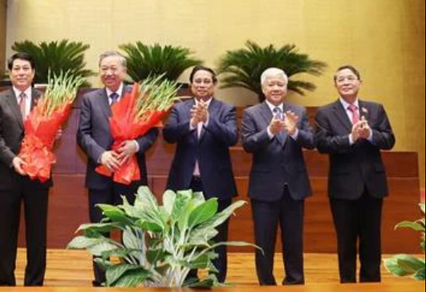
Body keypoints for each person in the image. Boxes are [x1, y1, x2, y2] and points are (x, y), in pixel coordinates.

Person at [76, 50, 159, 287]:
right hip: (100, 175)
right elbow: (82, 134)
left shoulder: (138, 96)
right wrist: (101, 155)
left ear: (124, 71)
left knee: (130, 228)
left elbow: (152, 131)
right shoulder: (91, 99)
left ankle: (130, 278)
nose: (108, 73)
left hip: (131, 175)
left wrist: (136, 145)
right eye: (104, 68)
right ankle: (102, 279)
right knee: (100, 230)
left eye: (113, 68)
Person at [315, 65, 396, 283]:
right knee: (346, 241)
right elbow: (322, 144)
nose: (346, 82)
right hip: (343, 188)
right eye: (341, 79)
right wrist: (350, 138)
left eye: (350, 78)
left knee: (372, 241)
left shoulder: (376, 109)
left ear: (360, 82)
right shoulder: (325, 113)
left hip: (373, 185)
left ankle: (371, 284)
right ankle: (348, 284)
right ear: (335, 85)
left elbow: (389, 140)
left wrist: (370, 134)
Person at [163, 65, 238, 282]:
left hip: (216, 184)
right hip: (185, 184)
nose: (202, 85)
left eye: (207, 81)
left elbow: (231, 138)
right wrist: (192, 123)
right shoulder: (180, 109)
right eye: (198, 81)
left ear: (214, 85)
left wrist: (208, 120)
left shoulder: (226, 109)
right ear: (191, 85)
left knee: (218, 237)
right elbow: (168, 135)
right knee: (186, 235)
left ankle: (216, 280)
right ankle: (189, 278)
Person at [241, 67, 314, 286]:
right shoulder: (252, 113)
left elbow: (311, 142)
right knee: (264, 241)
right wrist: (269, 132)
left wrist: (294, 132)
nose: (275, 88)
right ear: (263, 88)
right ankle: (266, 283)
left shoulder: (299, 112)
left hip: (294, 187)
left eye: (279, 84)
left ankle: (295, 281)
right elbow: (247, 145)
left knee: (294, 240)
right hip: (264, 189)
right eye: (271, 84)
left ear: (286, 88)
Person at [0, 52, 49, 286]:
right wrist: (13, 160)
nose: (21, 73)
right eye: (16, 69)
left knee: (37, 233)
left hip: (38, 175)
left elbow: (49, 132)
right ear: (10, 73)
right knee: (6, 232)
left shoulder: (44, 99)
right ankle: (6, 281)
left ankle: (34, 282)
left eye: (26, 69)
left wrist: (53, 135)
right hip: (8, 174)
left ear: (33, 73)